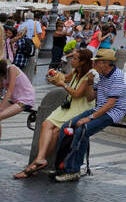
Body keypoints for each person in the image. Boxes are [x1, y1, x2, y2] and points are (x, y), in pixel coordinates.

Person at [14, 47, 96, 178]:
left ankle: (39, 162)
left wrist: (62, 85)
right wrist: (55, 75)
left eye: (75, 58)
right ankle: (41, 159)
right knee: (47, 124)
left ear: (83, 62)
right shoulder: (76, 72)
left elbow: (76, 94)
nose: (71, 60)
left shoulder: (88, 76)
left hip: (79, 108)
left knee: (56, 130)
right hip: (68, 106)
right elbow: (65, 78)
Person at [54, 48, 126, 182]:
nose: (93, 64)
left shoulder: (118, 77)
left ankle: (73, 170)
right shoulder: (100, 75)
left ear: (106, 63)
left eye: (97, 62)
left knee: (83, 130)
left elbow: (111, 104)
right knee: (67, 126)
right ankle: (60, 165)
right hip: (99, 108)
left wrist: (89, 118)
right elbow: (90, 98)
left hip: (113, 112)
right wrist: (90, 82)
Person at [0, 58, 36, 139]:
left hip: (26, 100)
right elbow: (1, 89)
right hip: (14, 100)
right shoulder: (2, 75)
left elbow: (9, 91)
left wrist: (1, 107)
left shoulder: (12, 69)